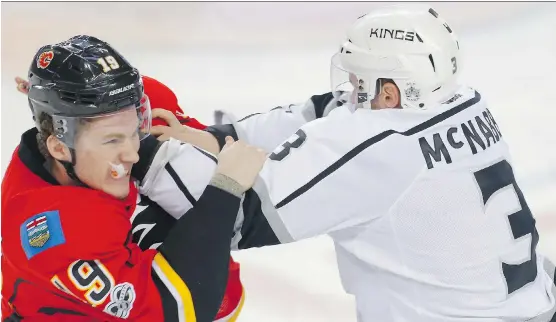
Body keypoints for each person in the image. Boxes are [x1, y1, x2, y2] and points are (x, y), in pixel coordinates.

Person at [107, 6, 556, 321]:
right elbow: (328, 111)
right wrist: (214, 138)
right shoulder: (466, 102)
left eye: (360, 79)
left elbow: (235, 212)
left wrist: (134, 147)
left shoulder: (376, 146)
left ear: (390, 92)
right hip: (534, 302)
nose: (350, 88)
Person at [1, 35, 266, 322]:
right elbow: (181, 307)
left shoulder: (78, 141)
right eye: (111, 141)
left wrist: (197, 137)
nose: (132, 155)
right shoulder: (59, 233)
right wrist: (227, 186)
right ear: (59, 147)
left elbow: (134, 102)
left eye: (133, 132)